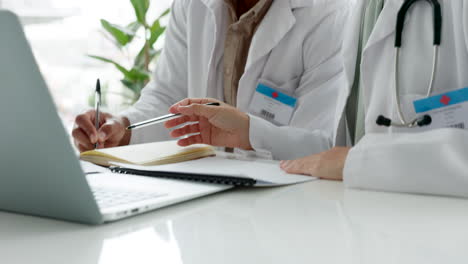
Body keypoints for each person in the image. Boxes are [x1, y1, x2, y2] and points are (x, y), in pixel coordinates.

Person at [73, 0, 351, 160]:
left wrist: (249, 133)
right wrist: (124, 128)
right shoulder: (192, 5)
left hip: (285, 211)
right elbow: (170, 98)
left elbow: (322, 145)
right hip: (204, 203)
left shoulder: (329, 14)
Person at [280, 0, 468, 197]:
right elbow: (340, 145)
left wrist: (359, 162)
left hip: (440, 220)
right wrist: (254, 132)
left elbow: (345, 159)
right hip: (365, 213)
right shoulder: (365, 7)